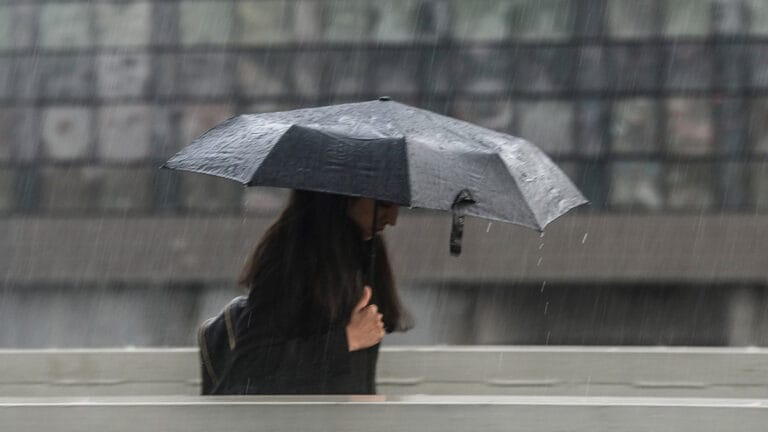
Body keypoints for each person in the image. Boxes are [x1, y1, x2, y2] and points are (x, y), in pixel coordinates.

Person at [198, 189, 411, 395]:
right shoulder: (290, 257)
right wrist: (347, 340)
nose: (393, 218)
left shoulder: (366, 250)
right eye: (384, 204)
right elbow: (252, 363)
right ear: (344, 195)